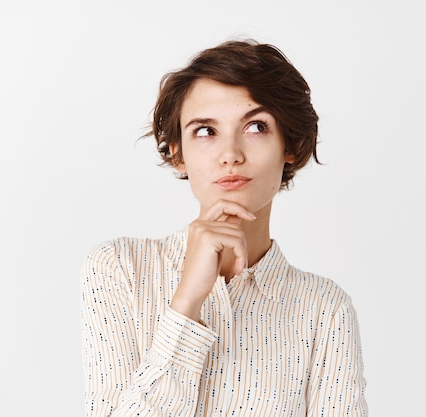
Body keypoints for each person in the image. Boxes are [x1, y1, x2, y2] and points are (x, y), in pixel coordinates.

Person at [80, 39, 368, 417]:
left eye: (255, 127)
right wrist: (186, 304)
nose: (230, 153)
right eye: (204, 131)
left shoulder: (325, 310)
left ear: (291, 146)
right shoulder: (119, 268)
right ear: (178, 153)